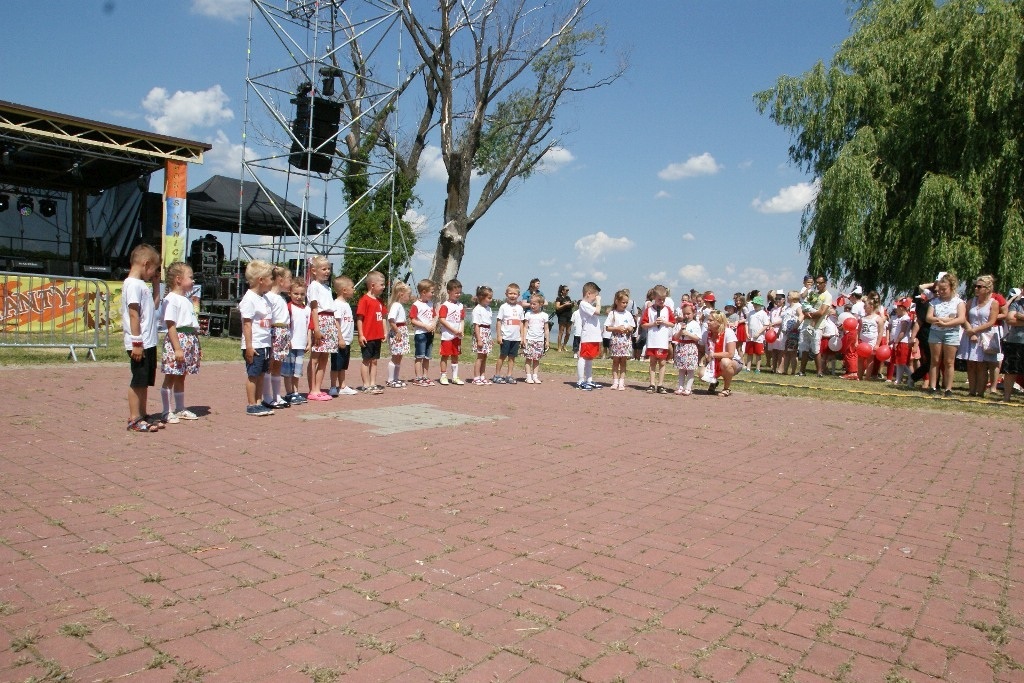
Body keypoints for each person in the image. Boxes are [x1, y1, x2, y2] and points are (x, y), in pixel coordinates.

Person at [123, 243, 163, 432]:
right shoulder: (132, 285)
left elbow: (154, 306)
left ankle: (143, 414)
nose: (153, 274)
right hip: (139, 342)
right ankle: (134, 418)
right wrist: (136, 342)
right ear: (146, 264)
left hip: (149, 341)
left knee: (145, 380)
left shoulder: (142, 285)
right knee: (137, 380)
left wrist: (156, 284)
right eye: (153, 270)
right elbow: (133, 315)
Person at [158, 261, 201, 424]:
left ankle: (180, 408)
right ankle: (166, 410)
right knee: (171, 375)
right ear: (178, 279)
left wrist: (195, 344)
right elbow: (171, 325)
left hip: (189, 340)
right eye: (190, 277)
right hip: (178, 341)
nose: (193, 281)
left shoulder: (187, 300)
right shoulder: (172, 299)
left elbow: (191, 323)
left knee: (181, 376)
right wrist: (177, 348)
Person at [240, 259, 275, 416]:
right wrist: (249, 346)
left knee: (262, 374)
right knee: (253, 374)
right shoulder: (249, 299)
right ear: (261, 280)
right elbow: (247, 324)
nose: (272, 281)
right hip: (254, 344)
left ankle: (259, 401)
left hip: (265, 343)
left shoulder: (264, 298)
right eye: (270, 278)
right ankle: (251, 404)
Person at [957, 274, 1001, 397]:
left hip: (984, 336)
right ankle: (971, 391)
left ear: (987, 289)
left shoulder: (994, 303)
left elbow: (991, 322)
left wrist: (975, 330)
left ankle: (980, 392)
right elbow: (964, 318)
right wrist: (970, 331)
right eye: (975, 286)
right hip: (970, 334)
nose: (976, 288)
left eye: (979, 286)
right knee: (971, 364)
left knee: (982, 365)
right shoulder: (971, 301)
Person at [925, 271, 966, 397]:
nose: (941, 292)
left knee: (949, 361)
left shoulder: (959, 302)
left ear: (951, 288)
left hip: (951, 332)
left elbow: (961, 319)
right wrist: (943, 320)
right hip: (935, 332)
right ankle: (933, 386)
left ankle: (948, 388)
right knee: (935, 360)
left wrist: (946, 323)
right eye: (940, 289)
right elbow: (928, 317)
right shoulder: (934, 302)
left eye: (944, 289)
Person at [261, 266, 292, 409]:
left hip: (283, 332)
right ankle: (267, 396)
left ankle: (277, 395)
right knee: (271, 364)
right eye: (289, 279)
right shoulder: (268, 297)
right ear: (280, 280)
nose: (291, 283)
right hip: (275, 331)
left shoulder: (281, 298)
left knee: (278, 365)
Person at [305, 255, 336, 401]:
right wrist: (316, 329)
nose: (327, 271)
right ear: (314, 271)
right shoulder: (313, 286)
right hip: (321, 320)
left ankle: (318, 386)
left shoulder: (327, 288)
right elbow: (314, 309)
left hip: (330, 320)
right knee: (316, 356)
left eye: (328, 268)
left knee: (325, 357)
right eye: (324, 269)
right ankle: (312, 388)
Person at [356, 271, 387, 394]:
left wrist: (384, 332)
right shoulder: (364, 300)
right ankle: (366, 384)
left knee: (374, 361)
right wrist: (361, 334)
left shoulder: (380, 301)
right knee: (366, 360)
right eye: (382, 284)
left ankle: (373, 383)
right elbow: (359, 318)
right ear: (373, 285)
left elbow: (383, 317)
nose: (384, 287)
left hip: (377, 336)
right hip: (368, 336)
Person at [641, 284, 675, 394]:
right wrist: (653, 323)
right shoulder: (649, 310)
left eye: (663, 299)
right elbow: (643, 324)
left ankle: (660, 384)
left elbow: (672, 323)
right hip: (652, 340)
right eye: (659, 299)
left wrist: (664, 322)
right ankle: (652, 384)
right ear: (654, 298)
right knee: (652, 362)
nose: (661, 301)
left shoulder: (667, 309)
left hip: (663, 341)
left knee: (662, 362)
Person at [703, 310, 743, 396]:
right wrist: (706, 357)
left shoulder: (728, 332)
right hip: (714, 362)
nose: (708, 322)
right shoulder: (706, 334)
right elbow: (705, 350)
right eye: (708, 320)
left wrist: (713, 355)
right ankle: (714, 382)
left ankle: (726, 388)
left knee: (725, 362)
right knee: (701, 373)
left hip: (733, 362)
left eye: (711, 320)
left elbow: (730, 354)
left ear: (719, 322)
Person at [282, 280, 310, 403]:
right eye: (296, 294)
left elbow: (309, 327)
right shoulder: (288, 308)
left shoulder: (307, 309)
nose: (299, 297)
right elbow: (286, 326)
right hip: (290, 344)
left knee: (297, 371)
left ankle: (296, 391)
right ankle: (289, 393)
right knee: (288, 370)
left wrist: (309, 341)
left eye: (302, 294)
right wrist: (287, 340)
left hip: (301, 345)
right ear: (290, 293)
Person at [799, 275, 832, 377]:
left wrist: (811, 315)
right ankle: (802, 371)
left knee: (815, 349)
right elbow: (804, 305)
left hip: (817, 326)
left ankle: (819, 372)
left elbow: (822, 311)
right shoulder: (813, 293)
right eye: (816, 282)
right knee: (804, 348)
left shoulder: (827, 296)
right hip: (806, 323)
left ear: (825, 283)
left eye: (820, 283)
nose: (817, 285)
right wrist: (806, 313)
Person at [331, 275, 358, 396]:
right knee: (336, 365)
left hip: (347, 341)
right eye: (352, 287)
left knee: (343, 366)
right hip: (340, 341)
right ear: (344, 290)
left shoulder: (346, 304)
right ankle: (332, 386)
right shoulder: (337, 304)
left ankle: (342, 385)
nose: (354, 290)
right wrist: (340, 338)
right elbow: (336, 322)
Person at [494, 283, 525, 384]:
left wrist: (522, 337)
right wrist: (499, 335)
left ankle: (509, 375)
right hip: (505, 337)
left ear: (518, 295)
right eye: (510, 293)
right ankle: (497, 375)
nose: (512, 295)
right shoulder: (503, 307)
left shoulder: (520, 308)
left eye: (515, 294)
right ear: (506, 294)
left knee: (512, 357)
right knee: (502, 356)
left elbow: (521, 323)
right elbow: (499, 322)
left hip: (516, 338)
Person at [605, 290, 635, 391]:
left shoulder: (628, 314)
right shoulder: (612, 313)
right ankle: (615, 381)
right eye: (623, 302)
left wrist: (629, 329)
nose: (625, 304)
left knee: (623, 361)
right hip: (616, 339)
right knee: (615, 361)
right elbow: (607, 327)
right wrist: (616, 328)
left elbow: (632, 326)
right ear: (617, 301)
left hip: (625, 340)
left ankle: (622, 382)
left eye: (626, 302)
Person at [437, 278, 465, 385]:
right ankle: (443, 375)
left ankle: (455, 376)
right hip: (447, 335)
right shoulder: (445, 305)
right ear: (449, 291)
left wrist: (461, 330)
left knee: (455, 355)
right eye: (456, 292)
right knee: (445, 355)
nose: (458, 295)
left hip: (457, 337)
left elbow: (462, 320)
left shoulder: (460, 306)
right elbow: (442, 320)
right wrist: (453, 330)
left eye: (459, 293)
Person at [410, 279, 437, 386]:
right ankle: (418, 377)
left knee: (427, 356)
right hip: (420, 333)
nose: (433, 294)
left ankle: (425, 376)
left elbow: (434, 315)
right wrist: (425, 325)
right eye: (432, 292)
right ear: (424, 292)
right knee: (419, 356)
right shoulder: (416, 304)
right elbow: (412, 319)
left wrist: (434, 323)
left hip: (430, 333)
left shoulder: (430, 304)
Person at [576, 282, 603, 390]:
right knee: (583, 357)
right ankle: (580, 380)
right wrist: (599, 301)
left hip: (594, 336)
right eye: (594, 296)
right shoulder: (583, 304)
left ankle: (589, 379)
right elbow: (597, 311)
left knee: (590, 358)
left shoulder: (588, 305)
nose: (595, 298)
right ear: (588, 293)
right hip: (587, 335)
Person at [385, 282, 412, 388]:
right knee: (395, 356)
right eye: (408, 295)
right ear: (401, 294)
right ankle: (391, 379)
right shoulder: (396, 305)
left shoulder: (400, 306)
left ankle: (396, 378)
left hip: (402, 330)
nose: (409, 297)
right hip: (398, 332)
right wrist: (397, 331)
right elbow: (391, 319)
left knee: (399, 356)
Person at [1000, 287, 1024, 401]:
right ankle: (1006, 397)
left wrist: (1020, 316)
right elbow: (1009, 320)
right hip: (1014, 341)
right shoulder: (1016, 304)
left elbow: (1015, 318)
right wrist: (1016, 317)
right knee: (1010, 371)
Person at [672, 302, 701, 395]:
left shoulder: (695, 324)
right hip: (681, 347)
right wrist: (681, 330)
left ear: (693, 313)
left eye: (689, 314)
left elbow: (697, 338)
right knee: (681, 369)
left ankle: (688, 388)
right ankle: (680, 387)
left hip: (691, 347)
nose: (686, 316)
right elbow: (675, 337)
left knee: (690, 369)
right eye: (684, 314)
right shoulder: (680, 324)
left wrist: (688, 334)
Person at [856, 294, 884, 381]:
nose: (864, 308)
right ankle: (859, 376)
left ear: (871, 307)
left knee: (870, 359)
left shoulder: (878, 319)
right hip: (862, 341)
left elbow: (880, 332)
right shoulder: (862, 319)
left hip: (872, 342)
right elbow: (858, 330)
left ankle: (867, 377)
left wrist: (877, 344)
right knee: (860, 359)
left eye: (865, 306)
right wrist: (856, 341)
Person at [522, 294, 550, 383]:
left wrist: (547, 341)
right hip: (529, 339)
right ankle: (528, 376)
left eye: (534, 304)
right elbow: (525, 327)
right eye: (531, 304)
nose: (532, 306)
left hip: (540, 340)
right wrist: (524, 338)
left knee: (536, 359)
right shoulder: (528, 314)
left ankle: (535, 376)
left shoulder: (544, 315)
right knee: (528, 358)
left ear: (541, 304)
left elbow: (546, 329)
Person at [471, 285, 494, 385]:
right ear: (482, 297)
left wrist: (490, 337)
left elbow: (489, 324)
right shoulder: (477, 309)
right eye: (489, 298)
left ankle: (482, 376)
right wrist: (479, 339)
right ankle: (476, 377)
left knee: (485, 356)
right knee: (480, 356)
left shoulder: (489, 309)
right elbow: (476, 325)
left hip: (487, 332)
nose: (491, 300)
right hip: (480, 332)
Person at [889, 297, 913, 386]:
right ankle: (901, 378)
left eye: (898, 308)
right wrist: (893, 340)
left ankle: (907, 377)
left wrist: (897, 341)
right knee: (899, 362)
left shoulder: (905, 318)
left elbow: (903, 331)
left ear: (902, 308)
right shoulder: (902, 318)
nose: (896, 310)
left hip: (903, 342)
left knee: (901, 362)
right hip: (899, 341)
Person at [745, 295, 769, 372]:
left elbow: (766, 325)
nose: (755, 305)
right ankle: (748, 368)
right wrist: (747, 333)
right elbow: (747, 323)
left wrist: (759, 333)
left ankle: (757, 368)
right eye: (754, 304)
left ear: (760, 305)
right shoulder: (750, 313)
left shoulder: (763, 313)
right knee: (749, 352)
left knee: (758, 353)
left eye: (757, 304)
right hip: (750, 336)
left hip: (759, 337)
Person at [553, 285, 573, 351]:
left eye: (568, 290)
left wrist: (572, 304)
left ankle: (564, 345)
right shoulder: (559, 298)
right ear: (562, 291)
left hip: (569, 316)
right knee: (561, 332)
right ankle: (559, 347)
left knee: (568, 332)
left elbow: (570, 306)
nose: (568, 291)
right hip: (562, 316)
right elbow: (557, 307)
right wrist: (565, 304)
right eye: (566, 290)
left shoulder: (568, 298)